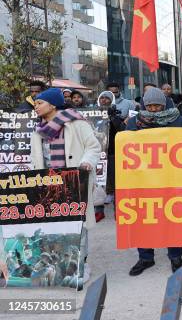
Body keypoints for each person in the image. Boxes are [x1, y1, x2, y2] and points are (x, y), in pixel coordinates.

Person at [29, 88, 101, 284]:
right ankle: (60, 268)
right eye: (35, 103)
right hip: (48, 186)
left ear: (52, 104)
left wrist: (86, 163)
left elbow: (93, 146)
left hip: (74, 183)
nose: (36, 106)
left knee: (78, 228)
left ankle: (81, 266)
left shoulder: (76, 123)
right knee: (55, 230)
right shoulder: (38, 129)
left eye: (39, 103)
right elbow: (35, 158)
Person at [126, 87, 182, 276]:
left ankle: (175, 255)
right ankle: (145, 257)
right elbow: (126, 145)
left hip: (170, 176)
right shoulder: (135, 121)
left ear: (164, 103)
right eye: (149, 105)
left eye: (157, 105)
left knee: (173, 217)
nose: (153, 109)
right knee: (143, 218)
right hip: (142, 177)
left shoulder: (178, 120)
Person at [96, 91, 126, 218]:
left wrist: (113, 117)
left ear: (112, 100)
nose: (104, 100)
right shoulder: (94, 114)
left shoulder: (115, 113)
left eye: (107, 98)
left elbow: (122, 129)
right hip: (98, 152)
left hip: (113, 152)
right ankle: (98, 209)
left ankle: (117, 209)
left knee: (115, 182)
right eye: (101, 98)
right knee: (97, 181)